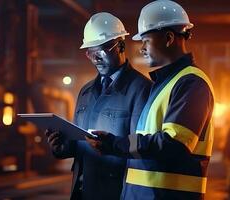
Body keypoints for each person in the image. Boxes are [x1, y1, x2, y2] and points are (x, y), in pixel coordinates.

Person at [86, 1, 215, 199]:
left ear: (169, 38)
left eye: (146, 41)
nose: (142, 48)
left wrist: (114, 144)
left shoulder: (191, 83)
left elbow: (174, 145)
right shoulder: (164, 84)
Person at [45, 12, 151, 200]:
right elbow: (80, 144)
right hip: (82, 191)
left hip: (116, 192)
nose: (96, 58)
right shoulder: (86, 92)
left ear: (121, 45)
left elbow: (142, 148)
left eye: (102, 50)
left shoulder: (141, 89)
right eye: (90, 53)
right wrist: (62, 147)